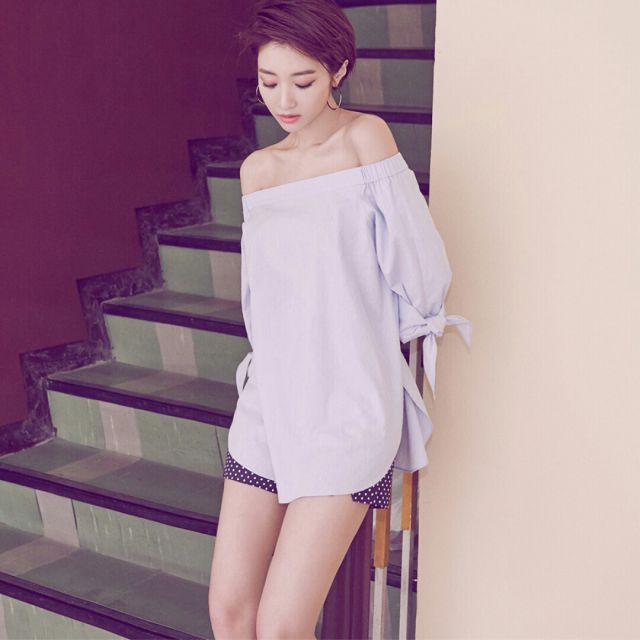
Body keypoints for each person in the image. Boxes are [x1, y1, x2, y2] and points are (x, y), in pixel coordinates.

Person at [208, 1, 472, 638]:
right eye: (269, 82)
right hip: (272, 402)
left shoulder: (364, 141)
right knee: (230, 613)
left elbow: (423, 274)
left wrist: (371, 339)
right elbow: (260, 301)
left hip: (348, 407)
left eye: (303, 82)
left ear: (338, 70)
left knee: (281, 626)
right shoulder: (257, 172)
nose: (284, 100)